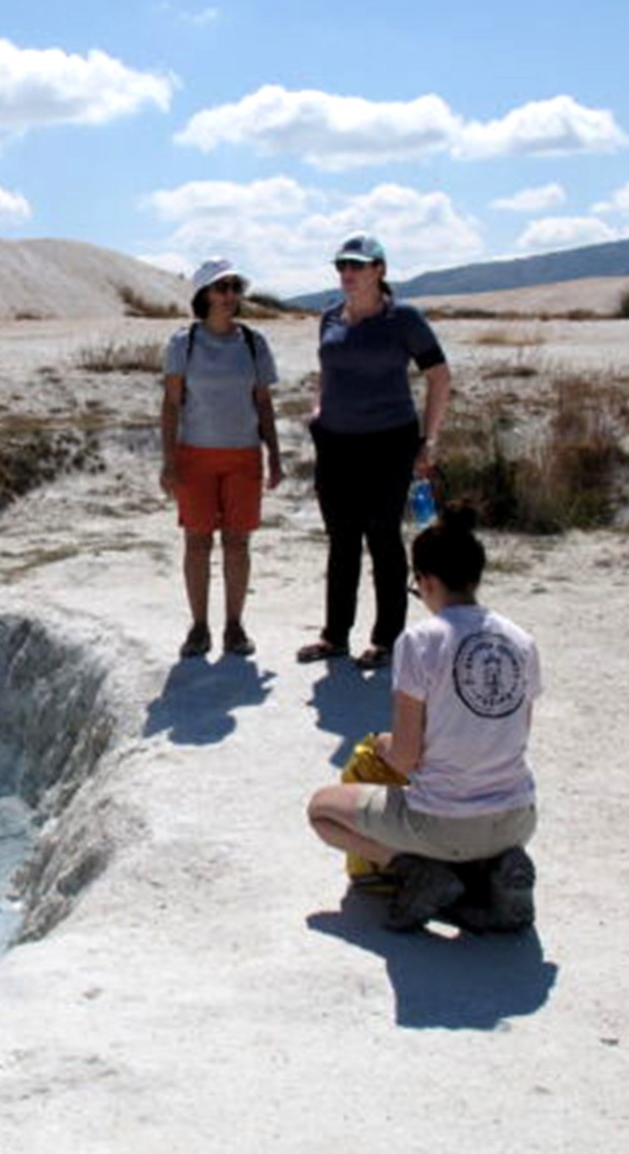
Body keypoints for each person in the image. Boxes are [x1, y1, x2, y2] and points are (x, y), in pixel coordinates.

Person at [305, 504, 541, 931]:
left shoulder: (420, 641)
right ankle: (490, 870)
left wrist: (380, 743)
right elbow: (516, 732)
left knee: (322, 810)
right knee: (465, 826)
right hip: (518, 817)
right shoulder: (521, 641)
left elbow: (406, 759)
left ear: (427, 581)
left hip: (444, 823)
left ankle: (418, 871)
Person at [296, 232, 452, 670]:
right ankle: (334, 635)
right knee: (341, 540)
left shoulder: (404, 319)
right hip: (336, 442)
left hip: (390, 441)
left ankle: (387, 640)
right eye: (342, 266)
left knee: (382, 536)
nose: (347, 273)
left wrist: (430, 437)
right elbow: (328, 371)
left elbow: (439, 376)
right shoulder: (329, 318)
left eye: (357, 265)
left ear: (379, 270)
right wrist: (318, 410)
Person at [159, 259, 284, 659]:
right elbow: (171, 405)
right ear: (204, 295)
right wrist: (168, 460)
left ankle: (234, 626)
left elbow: (263, 403)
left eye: (234, 287)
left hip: (244, 455)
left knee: (237, 542)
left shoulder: (253, 342)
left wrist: (275, 456)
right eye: (222, 288)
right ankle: (199, 627)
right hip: (194, 455)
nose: (230, 296)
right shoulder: (183, 343)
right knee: (196, 541)